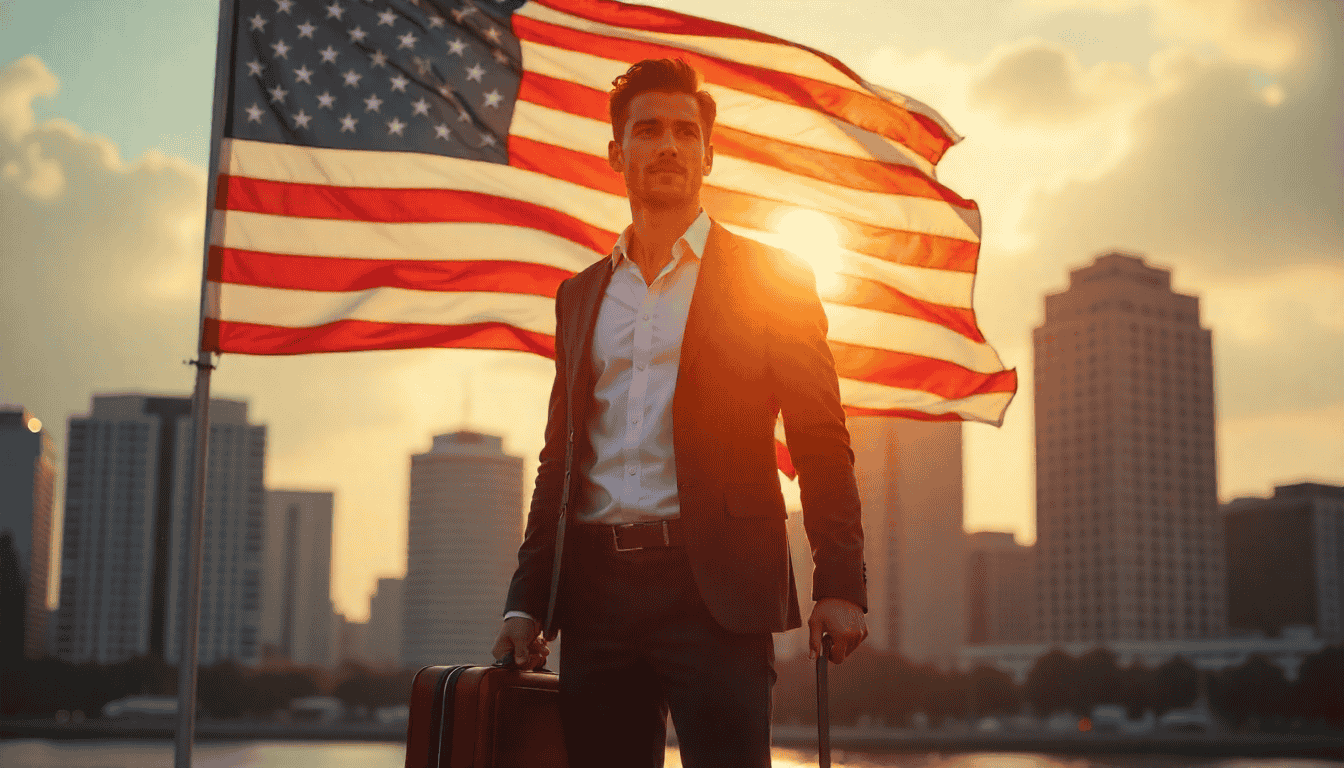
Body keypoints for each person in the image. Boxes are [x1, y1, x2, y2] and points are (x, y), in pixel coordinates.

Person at [493, 58, 867, 768]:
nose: (668, 146)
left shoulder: (773, 278)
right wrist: (526, 603)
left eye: (684, 132)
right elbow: (560, 460)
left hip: (716, 591)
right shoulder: (579, 296)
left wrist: (841, 585)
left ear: (708, 153)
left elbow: (820, 439)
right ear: (616, 152)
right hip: (596, 596)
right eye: (648, 130)